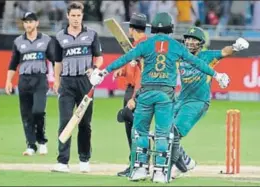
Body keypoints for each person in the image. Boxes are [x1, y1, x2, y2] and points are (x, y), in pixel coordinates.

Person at [89, 12, 230, 183]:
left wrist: (103, 72)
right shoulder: (177, 46)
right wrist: (216, 74)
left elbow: (125, 58)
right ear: (171, 28)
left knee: (140, 131)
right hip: (165, 95)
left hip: (146, 93)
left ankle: (140, 169)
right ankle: (160, 173)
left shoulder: (146, 44)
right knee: (163, 134)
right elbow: (197, 62)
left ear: (154, 27)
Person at [171, 26, 249, 178]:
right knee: (165, 131)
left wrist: (235, 47)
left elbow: (224, 52)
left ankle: (176, 166)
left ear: (200, 43)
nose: (189, 42)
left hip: (198, 101)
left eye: (194, 40)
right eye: (188, 39)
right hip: (181, 99)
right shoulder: (181, 56)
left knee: (174, 133)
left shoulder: (207, 56)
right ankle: (185, 161)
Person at [51, 1, 103, 173]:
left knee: (85, 123)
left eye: (78, 16)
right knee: (65, 121)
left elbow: (99, 57)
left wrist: (94, 69)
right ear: (68, 16)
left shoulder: (92, 34)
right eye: (72, 15)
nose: (75, 19)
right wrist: (56, 81)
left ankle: (84, 159)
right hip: (67, 82)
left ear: (82, 16)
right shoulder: (59, 36)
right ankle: (62, 161)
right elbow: (57, 62)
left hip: (85, 83)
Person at [5, 12, 54, 156]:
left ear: (37, 23)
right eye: (25, 22)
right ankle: (31, 146)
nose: (28, 24)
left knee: (38, 111)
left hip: (40, 79)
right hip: (24, 80)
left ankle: (42, 142)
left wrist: (57, 78)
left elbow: (54, 59)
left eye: (31, 22)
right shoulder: (18, 42)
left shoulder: (46, 40)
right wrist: (8, 81)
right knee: (26, 115)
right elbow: (13, 63)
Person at [113, 13, 148, 177]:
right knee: (132, 129)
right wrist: (121, 71)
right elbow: (132, 68)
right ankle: (135, 163)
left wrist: (134, 97)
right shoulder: (135, 45)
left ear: (132, 29)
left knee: (136, 130)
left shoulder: (143, 46)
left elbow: (142, 75)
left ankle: (139, 164)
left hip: (137, 93)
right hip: (132, 91)